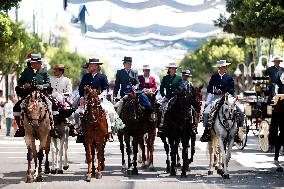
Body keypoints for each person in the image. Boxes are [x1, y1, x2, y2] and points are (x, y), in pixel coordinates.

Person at [200, 60, 244, 142]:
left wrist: (226, 92)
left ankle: (237, 133)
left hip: (227, 98)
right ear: (219, 68)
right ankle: (207, 132)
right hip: (216, 97)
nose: (225, 68)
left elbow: (232, 90)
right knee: (206, 113)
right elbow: (209, 88)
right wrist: (215, 90)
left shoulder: (229, 77)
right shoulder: (214, 77)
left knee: (240, 113)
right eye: (223, 67)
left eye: (225, 67)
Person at [13, 54, 54, 137]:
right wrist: (24, 85)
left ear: (39, 63)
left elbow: (48, 84)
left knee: (51, 105)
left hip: (41, 93)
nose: (33, 64)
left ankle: (52, 127)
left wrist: (42, 86)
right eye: (32, 63)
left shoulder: (44, 71)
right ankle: (20, 128)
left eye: (35, 63)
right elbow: (19, 82)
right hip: (28, 94)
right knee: (17, 107)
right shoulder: (26, 71)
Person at [75, 58, 111, 140]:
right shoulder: (85, 76)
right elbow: (81, 89)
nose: (88, 67)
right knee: (77, 113)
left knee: (110, 112)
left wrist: (99, 96)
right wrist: (82, 97)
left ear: (96, 66)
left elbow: (106, 89)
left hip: (100, 99)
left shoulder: (102, 77)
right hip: (87, 99)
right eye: (89, 66)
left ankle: (109, 131)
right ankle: (80, 129)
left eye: (90, 66)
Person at [158, 63, 182, 136]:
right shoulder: (165, 78)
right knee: (161, 109)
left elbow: (181, 87)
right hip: (167, 97)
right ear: (169, 69)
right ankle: (161, 126)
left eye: (175, 69)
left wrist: (178, 92)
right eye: (172, 68)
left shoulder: (179, 78)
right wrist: (163, 95)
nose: (173, 70)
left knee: (183, 109)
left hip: (176, 98)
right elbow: (161, 88)